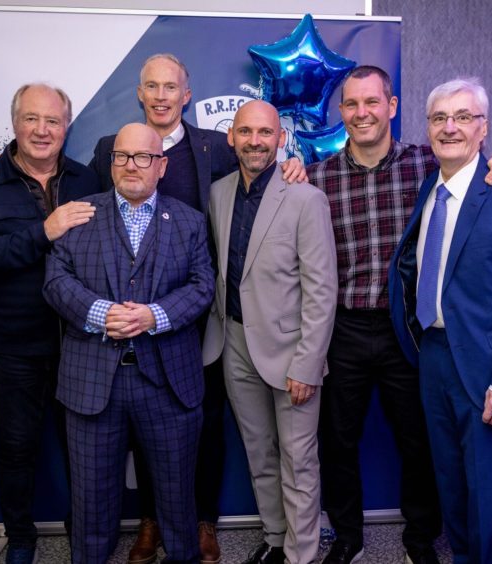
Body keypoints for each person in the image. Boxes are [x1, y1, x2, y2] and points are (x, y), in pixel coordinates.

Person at [88, 53, 306, 564]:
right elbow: (86, 212)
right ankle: (151, 522)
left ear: (187, 95)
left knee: (205, 419)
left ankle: (202, 520)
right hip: (132, 321)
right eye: (152, 87)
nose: (162, 95)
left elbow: (260, 178)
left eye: (172, 87)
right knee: (141, 425)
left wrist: (293, 163)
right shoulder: (109, 149)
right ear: (140, 94)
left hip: (200, 315)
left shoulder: (217, 147)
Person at [307, 65, 492, 564]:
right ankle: (347, 536)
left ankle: (420, 538)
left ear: (392, 106)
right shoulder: (316, 178)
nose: (362, 113)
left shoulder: (426, 162)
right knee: (337, 440)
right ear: (341, 112)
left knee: (422, 440)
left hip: (407, 329)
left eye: (372, 102)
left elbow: (480, 166)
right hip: (341, 328)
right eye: (351, 104)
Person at [388, 78, 492, 563]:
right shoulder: (430, 186)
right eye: (439, 118)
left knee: (489, 497)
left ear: (484, 128)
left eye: (463, 117)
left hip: (489, 368)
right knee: (450, 484)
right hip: (433, 358)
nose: (449, 127)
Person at [43, 123, 214, 564]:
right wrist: (104, 314)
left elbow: (202, 285)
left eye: (143, 157)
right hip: (92, 385)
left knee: (178, 500)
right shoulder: (79, 214)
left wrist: (153, 316)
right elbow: (56, 281)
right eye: (122, 156)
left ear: (162, 166)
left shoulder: (190, 222)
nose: (131, 165)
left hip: (169, 386)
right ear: (110, 161)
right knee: (92, 505)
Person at [0, 83, 99, 563]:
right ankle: (20, 538)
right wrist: (44, 231)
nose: (42, 130)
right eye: (32, 119)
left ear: (67, 127)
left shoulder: (89, 179)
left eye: (53, 121)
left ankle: (84, 536)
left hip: (82, 345)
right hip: (13, 345)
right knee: (17, 449)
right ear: (15, 122)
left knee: (85, 452)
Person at [202, 100, 337, 564]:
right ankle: (277, 540)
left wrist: (308, 362)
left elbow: (322, 290)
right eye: (246, 132)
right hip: (234, 342)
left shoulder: (306, 198)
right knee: (259, 452)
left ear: (280, 139)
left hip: (291, 349)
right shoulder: (219, 193)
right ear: (231, 137)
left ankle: (302, 555)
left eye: (265, 133)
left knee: (298, 460)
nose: (255, 141)